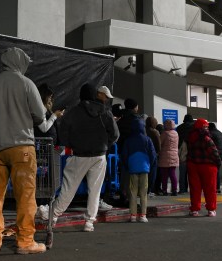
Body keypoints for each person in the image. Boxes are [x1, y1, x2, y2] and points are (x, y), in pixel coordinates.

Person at [0, 47, 47, 255]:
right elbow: (39, 115)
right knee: (26, 196)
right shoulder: (26, 84)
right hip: (21, 148)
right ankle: (25, 241)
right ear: (20, 62)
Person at [39, 83, 119, 232]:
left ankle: (53, 215)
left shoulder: (74, 112)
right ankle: (89, 222)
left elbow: (63, 133)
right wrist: (104, 145)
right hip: (99, 156)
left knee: (68, 190)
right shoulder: (105, 111)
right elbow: (115, 134)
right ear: (95, 95)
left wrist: (73, 144)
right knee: (95, 191)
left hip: (79, 155)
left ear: (81, 95)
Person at [121, 118, 156, 223]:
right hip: (145, 168)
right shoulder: (147, 139)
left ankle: (133, 215)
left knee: (132, 192)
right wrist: (150, 164)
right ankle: (143, 215)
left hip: (132, 169)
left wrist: (127, 166)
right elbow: (153, 155)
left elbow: (124, 156)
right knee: (143, 192)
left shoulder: (128, 140)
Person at [186, 118, 221, 217]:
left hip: (193, 165)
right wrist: (218, 163)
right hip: (208, 166)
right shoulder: (206, 138)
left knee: (195, 189)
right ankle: (211, 209)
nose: (207, 128)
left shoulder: (190, 137)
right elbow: (214, 152)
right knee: (210, 188)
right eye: (205, 126)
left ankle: (194, 210)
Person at [116, 98, 142, 206]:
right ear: (135, 107)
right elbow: (141, 135)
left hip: (122, 150)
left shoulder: (120, 120)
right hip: (135, 150)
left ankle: (123, 196)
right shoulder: (137, 119)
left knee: (124, 174)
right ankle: (131, 199)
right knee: (134, 175)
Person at [158, 119, 179, 195]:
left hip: (165, 156)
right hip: (174, 156)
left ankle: (164, 191)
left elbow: (159, 143)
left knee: (164, 175)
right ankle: (174, 190)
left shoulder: (165, 134)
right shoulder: (176, 134)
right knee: (173, 174)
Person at [176, 114, 194, 194]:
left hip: (182, 152)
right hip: (192, 153)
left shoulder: (179, 128)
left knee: (182, 172)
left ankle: (182, 189)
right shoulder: (194, 128)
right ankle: (193, 189)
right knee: (192, 174)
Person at [145, 115, 161, 195]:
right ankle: (150, 190)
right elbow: (158, 145)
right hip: (153, 154)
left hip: (145, 155)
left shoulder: (144, 131)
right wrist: (158, 152)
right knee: (152, 173)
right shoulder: (155, 132)